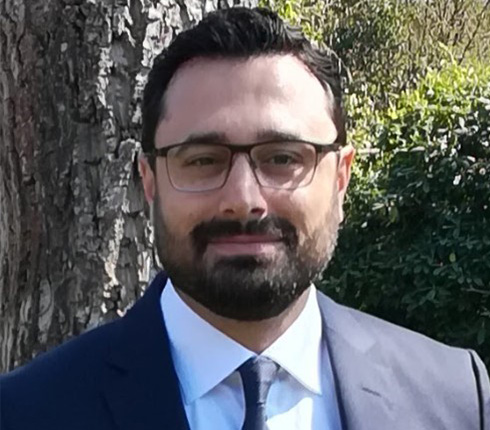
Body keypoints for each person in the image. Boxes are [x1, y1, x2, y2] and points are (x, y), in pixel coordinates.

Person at [1, 6, 488, 430]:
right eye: (202, 158)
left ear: (341, 177)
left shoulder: (457, 398)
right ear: (149, 180)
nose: (243, 199)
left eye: (282, 158)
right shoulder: (25, 412)